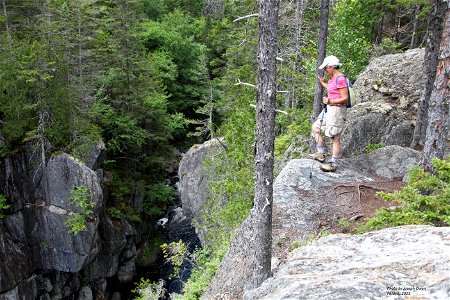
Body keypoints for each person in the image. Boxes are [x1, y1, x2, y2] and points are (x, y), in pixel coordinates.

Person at [310, 55, 349, 172]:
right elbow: (333, 89)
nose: (325, 71)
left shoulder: (340, 79)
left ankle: (333, 164)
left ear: (332, 66)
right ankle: (320, 153)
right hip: (329, 109)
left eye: (326, 68)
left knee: (334, 137)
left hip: (336, 110)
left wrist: (330, 101)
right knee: (315, 128)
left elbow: (345, 98)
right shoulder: (332, 79)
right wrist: (323, 83)